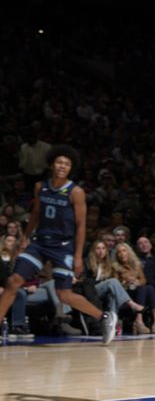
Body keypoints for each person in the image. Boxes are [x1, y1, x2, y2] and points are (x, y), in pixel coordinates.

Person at [0, 145, 117, 344]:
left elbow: (81, 226)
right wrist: (25, 237)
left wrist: (78, 256)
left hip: (63, 247)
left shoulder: (76, 192)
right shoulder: (40, 187)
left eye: (67, 164)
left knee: (64, 295)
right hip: (39, 243)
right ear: (52, 164)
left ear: (71, 168)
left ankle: (104, 317)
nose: (62, 166)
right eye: (59, 162)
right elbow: (36, 213)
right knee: (13, 282)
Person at [87, 239, 148, 335]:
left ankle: (112, 324)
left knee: (112, 294)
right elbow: (87, 281)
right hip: (90, 291)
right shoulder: (88, 263)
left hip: (104, 292)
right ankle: (132, 304)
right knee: (112, 282)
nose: (101, 251)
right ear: (93, 251)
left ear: (106, 251)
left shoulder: (108, 265)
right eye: (98, 248)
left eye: (103, 248)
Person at [112, 242, 155, 333]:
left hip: (137, 291)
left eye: (124, 251)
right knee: (144, 289)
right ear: (117, 255)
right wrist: (125, 282)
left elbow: (143, 280)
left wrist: (138, 282)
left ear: (128, 252)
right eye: (119, 252)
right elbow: (115, 284)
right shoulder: (115, 267)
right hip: (125, 293)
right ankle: (139, 321)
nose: (122, 254)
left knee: (149, 288)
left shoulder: (137, 264)